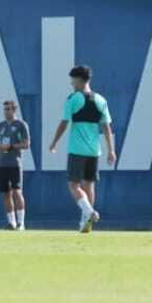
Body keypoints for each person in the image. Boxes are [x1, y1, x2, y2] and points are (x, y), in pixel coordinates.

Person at [47, 65, 116, 233]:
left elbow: (64, 123)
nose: (71, 83)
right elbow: (106, 128)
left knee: (73, 185)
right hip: (94, 151)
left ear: (79, 79)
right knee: (89, 185)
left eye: (72, 80)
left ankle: (89, 212)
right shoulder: (101, 100)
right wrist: (111, 150)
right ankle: (86, 223)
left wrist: (54, 142)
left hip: (77, 150)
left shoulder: (73, 99)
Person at [0, 100, 31, 231]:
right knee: (5, 193)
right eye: (5, 109)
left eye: (9, 109)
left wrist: (12, 146)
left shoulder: (21, 125)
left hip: (15, 163)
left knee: (17, 191)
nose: (6, 112)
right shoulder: (0, 126)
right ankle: (12, 222)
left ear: (14, 110)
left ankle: (21, 223)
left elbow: (26, 144)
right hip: (1, 163)